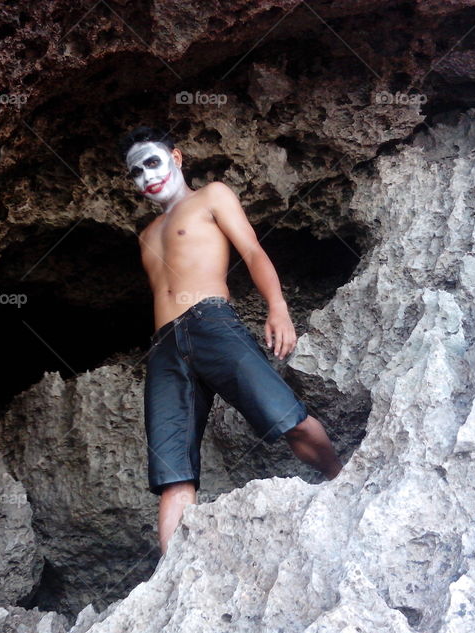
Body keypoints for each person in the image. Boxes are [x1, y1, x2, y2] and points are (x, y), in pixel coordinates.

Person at [119, 126, 344, 555]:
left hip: (210, 322)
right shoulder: (147, 235)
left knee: (288, 418)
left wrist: (277, 307)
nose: (147, 176)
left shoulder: (212, 196)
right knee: (172, 473)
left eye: (152, 162)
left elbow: (252, 250)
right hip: (164, 346)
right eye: (136, 172)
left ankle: (342, 479)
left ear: (176, 158)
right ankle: (171, 576)